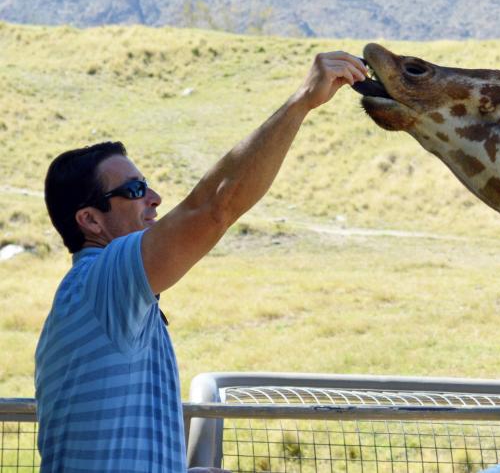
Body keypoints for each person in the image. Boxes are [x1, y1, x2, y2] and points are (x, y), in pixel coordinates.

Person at [35, 52, 367, 472]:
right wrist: (302, 100)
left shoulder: (93, 296)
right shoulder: (104, 281)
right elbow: (214, 207)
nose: (154, 198)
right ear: (90, 220)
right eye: (135, 189)